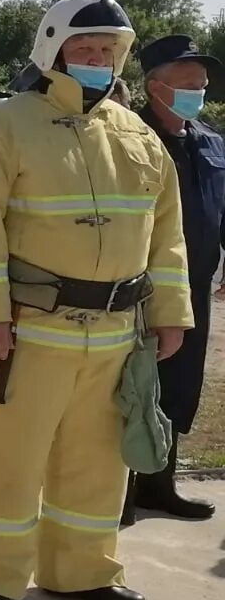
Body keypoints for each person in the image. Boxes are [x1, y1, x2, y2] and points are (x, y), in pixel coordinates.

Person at [0, 0, 191, 600]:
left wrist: (171, 312)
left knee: (98, 460)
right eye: (85, 47)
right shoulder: (2, 126)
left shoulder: (136, 133)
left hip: (116, 335)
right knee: (8, 457)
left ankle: (81, 570)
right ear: (52, 50)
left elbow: (166, 232)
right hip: (31, 332)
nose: (98, 58)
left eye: (109, 49)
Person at [123, 35, 222, 523]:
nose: (197, 93)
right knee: (129, 387)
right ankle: (114, 494)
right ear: (155, 86)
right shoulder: (127, 137)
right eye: (187, 84)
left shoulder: (210, 142)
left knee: (178, 386)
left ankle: (159, 485)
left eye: (201, 85)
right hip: (136, 289)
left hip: (194, 287)